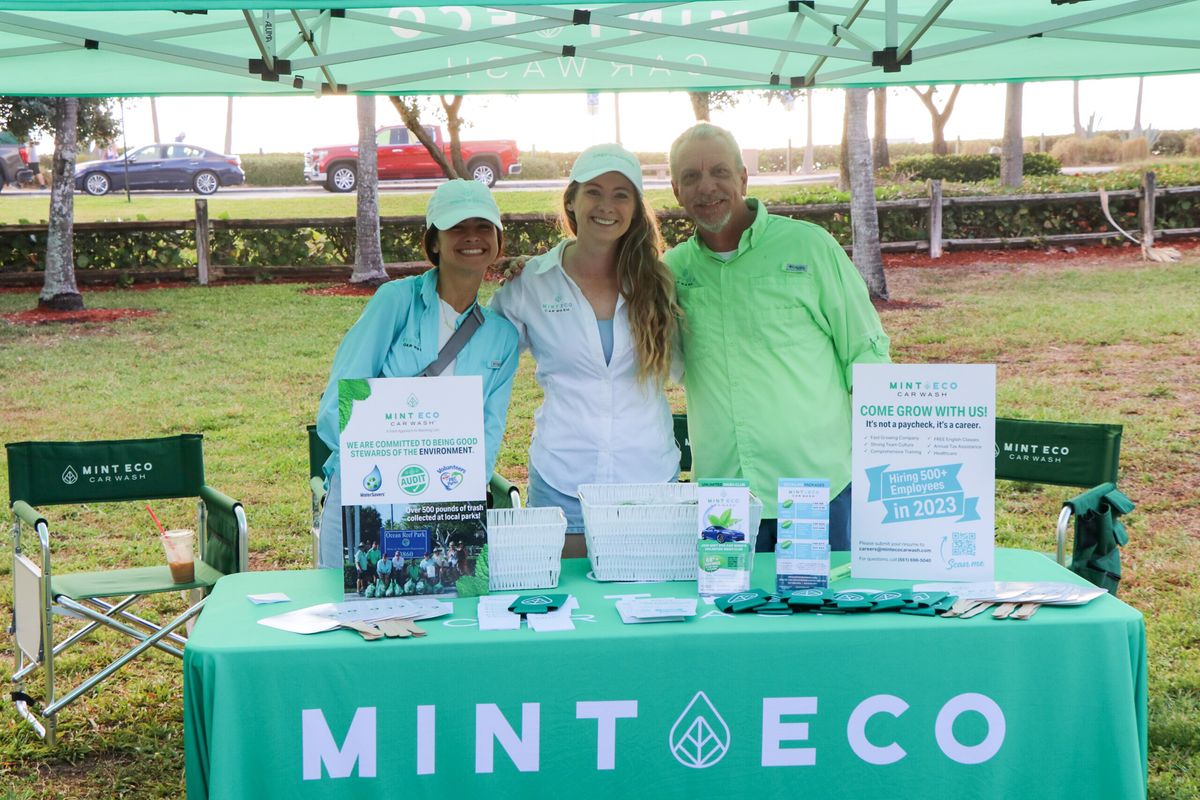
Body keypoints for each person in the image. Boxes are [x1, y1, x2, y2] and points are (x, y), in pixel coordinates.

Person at [664, 123, 891, 552]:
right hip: (724, 498)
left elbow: (865, 352)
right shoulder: (672, 271)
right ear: (676, 190)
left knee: (821, 615)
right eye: (691, 177)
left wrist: (883, 451)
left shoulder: (810, 248)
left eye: (719, 172)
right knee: (728, 612)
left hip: (813, 491)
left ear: (743, 178)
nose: (706, 187)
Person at [315, 180, 521, 568]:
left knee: (444, 616)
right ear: (434, 242)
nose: (471, 237)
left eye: (483, 226)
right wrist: (383, 460)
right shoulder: (396, 301)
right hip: (365, 491)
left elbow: (487, 436)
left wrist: (457, 500)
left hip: (446, 501)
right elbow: (337, 404)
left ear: (497, 240)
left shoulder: (502, 337)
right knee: (353, 612)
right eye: (457, 227)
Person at [489, 144, 681, 556]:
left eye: (621, 194)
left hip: (649, 478)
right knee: (569, 609)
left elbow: (687, 364)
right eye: (593, 191)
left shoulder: (661, 281)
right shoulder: (532, 282)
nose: (606, 206)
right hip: (563, 481)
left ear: (635, 207)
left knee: (648, 604)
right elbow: (482, 361)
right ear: (572, 201)